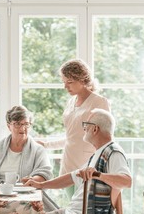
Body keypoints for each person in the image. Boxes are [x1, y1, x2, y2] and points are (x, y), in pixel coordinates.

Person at [26, 108, 132, 214]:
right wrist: (41, 185)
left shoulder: (113, 152)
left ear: (95, 129)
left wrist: (98, 175)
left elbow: (127, 181)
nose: (84, 129)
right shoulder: (98, 153)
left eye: (86, 125)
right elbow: (72, 177)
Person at [38, 59, 111, 200]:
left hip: (87, 164)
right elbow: (72, 136)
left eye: (69, 82)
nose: (65, 86)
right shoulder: (71, 102)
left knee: (83, 211)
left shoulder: (99, 102)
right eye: (64, 81)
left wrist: (97, 164)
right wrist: (46, 144)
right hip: (68, 162)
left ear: (82, 79)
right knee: (71, 207)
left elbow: (105, 138)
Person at [0, 105, 53, 184]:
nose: (22, 128)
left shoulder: (38, 150)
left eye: (26, 124)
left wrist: (31, 180)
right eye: (17, 124)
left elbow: (45, 173)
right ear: (9, 126)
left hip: (27, 192)